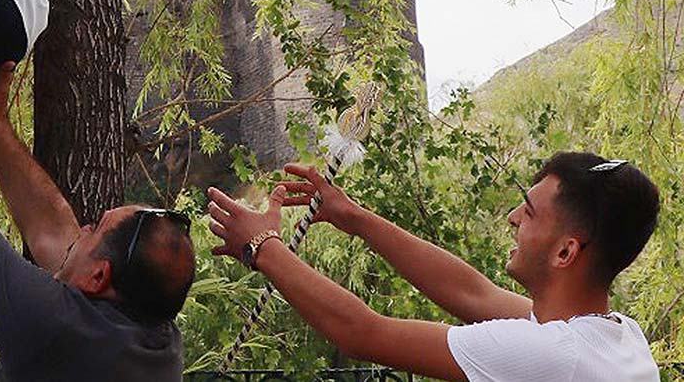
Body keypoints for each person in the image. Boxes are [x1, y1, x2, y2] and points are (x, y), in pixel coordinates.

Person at [0, 6, 196, 381]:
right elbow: (55, 235)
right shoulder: (155, 340)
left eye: (94, 228)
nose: (82, 228)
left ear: (98, 278)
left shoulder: (55, 332)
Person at [207, 153, 661, 381]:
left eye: (529, 212)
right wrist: (354, 217)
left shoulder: (553, 356)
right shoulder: (618, 337)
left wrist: (263, 246)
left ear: (566, 253)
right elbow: (472, 295)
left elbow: (364, 333)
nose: (512, 218)